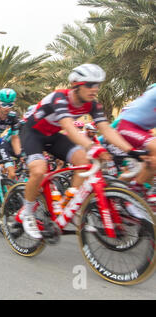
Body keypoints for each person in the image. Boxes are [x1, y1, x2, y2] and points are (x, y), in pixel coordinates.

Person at [21, 64, 140, 239]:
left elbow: (107, 130)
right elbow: (69, 126)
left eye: (98, 85)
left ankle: (70, 205)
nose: (95, 89)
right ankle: (28, 213)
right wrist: (94, 147)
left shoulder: (93, 105)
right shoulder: (60, 98)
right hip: (33, 133)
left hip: (53, 135)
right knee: (39, 170)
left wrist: (132, 151)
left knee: (86, 163)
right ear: (76, 85)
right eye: (90, 84)